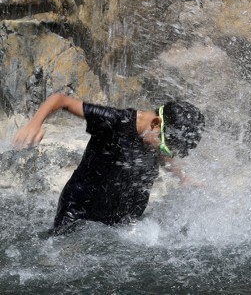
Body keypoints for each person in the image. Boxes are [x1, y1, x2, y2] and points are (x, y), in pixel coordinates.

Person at [14, 93, 204, 233]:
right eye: (164, 147)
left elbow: (164, 155)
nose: (162, 152)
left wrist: (183, 177)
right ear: (155, 123)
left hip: (124, 213)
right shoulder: (115, 121)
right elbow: (60, 100)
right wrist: (34, 124)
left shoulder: (155, 138)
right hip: (81, 208)